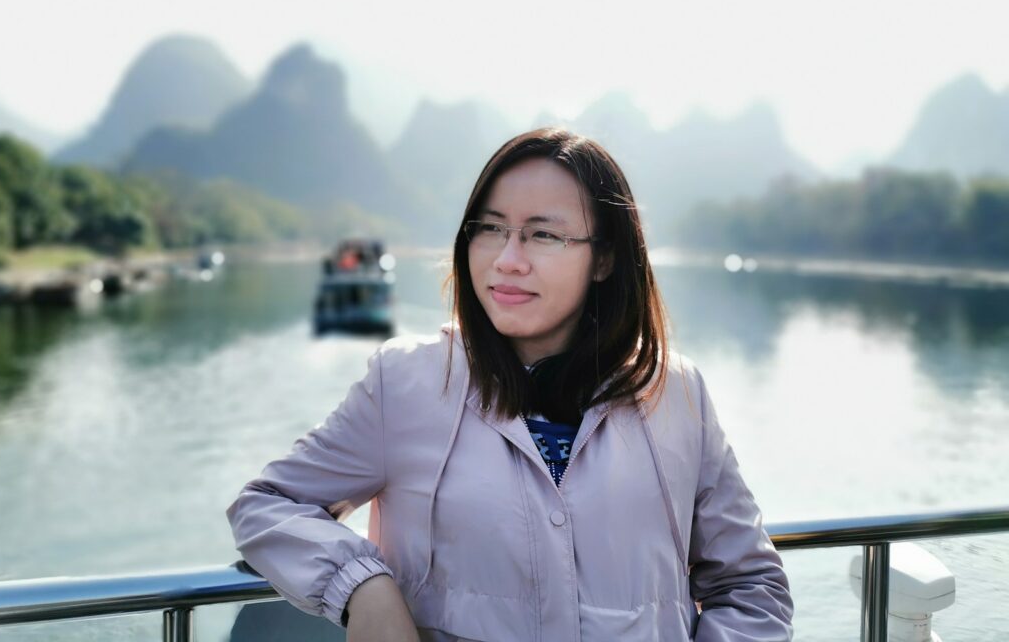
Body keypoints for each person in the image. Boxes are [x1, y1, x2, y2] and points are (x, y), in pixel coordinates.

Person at [227, 128, 794, 641]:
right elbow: (266, 506)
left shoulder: (676, 392)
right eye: (491, 229)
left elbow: (751, 588)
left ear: (604, 259)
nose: (507, 259)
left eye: (543, 235)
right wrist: (362, 585)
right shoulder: (405, 383)